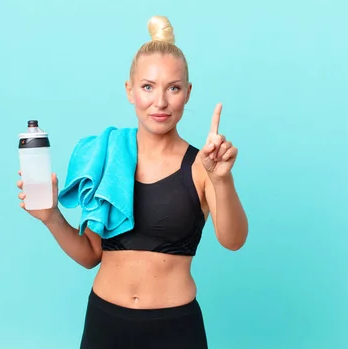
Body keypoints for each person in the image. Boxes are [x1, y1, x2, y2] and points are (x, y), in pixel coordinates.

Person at [16, 15, 248, 349]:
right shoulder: (107, 156)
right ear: (130, 90)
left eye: (174, 88)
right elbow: (91, 254)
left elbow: (234, 240)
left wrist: (222, 180)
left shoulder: (203, 165)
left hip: (175, 328)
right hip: (105, 324)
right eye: (148, 87)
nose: (161, 102)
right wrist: (51, 216)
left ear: (188, 93)